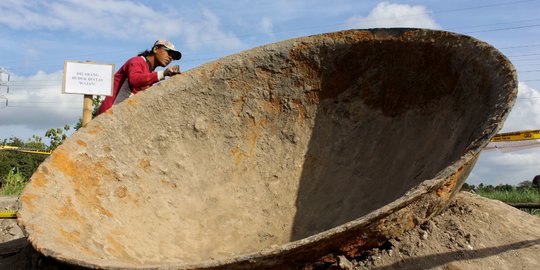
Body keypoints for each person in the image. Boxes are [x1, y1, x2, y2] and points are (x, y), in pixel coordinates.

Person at [97, 39, 182, 115]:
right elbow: (134, 80)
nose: (171, 57)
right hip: (108, 115)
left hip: (120, 117)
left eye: (173, 57)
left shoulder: (150, 73)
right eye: (169, 52)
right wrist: (163, 73)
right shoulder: (137, 61)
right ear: (156, 49)